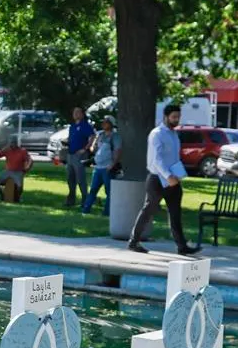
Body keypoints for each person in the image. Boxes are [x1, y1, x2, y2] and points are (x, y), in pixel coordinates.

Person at [130, 104, 201, 255]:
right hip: (157, 179)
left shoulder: (174, 135)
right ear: (166, 116)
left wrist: (176, 174)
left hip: (173, 179)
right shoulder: (157, 134)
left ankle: (182, 246)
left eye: (178, 117)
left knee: (175, 212)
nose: (176, 120)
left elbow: (173, 158)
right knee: (149, 209)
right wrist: (168, 176)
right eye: (174, 117)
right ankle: (134, 241)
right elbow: (157, 159)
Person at [82, 116, 121, 214]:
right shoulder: (101, 135)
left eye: (106, 122)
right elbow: (94, 149)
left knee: (109, 192)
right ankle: (86, 210)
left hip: (107, 168)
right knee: (93, 190)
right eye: (103, 122)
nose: (103, 124)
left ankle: (107, 213)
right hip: (98, 167)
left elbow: (117, 151)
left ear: (111, 124)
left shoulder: (115, 136)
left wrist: (112, 164)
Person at [63, 106, 94, 208]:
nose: (75, 114)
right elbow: (71, 138)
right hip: (70, 154)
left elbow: (92, 137)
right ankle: (71, 200)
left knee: (80, 179)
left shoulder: (85, 125)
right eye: (74, 112)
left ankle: (85, 201)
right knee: (70, 178)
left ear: (82, 114)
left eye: (77, 112)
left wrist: (85, 149)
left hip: (79, 155)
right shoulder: (72, 126)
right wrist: (66, 141)